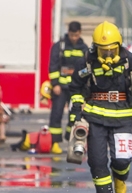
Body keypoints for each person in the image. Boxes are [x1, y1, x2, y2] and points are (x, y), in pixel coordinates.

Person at [68, 21, 132, 193]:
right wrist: (76, 109)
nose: (107, 55)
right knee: (96, 159)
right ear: (95, 48)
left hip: (123, 115)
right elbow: (75, 87)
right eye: (103, 51)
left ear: (119, 46)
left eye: (111, 51)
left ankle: (120, 177)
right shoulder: (87, 61)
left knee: (122, 159)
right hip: (95, 115)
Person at [48, 21, 88, 154]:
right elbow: (53, 66)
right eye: (71, 35)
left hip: (76, 88)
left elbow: (87, 69)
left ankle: (70, 138)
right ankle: (55, 143)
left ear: (80, 33)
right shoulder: (60, 46)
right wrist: (55, 84)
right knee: (56, 114)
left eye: (76, 35)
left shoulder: (84, 49)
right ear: (68, 32)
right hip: (61, 87)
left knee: (75, 114)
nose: (74, 38)